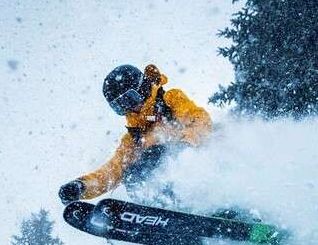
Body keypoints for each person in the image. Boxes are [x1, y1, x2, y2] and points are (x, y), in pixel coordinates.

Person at [59, 63, 212, 203]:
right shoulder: (134, 138)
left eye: (130, 99)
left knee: (155, 154)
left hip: (197, 164)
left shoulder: (170, 100)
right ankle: (158, 208)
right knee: (132, 173)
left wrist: (185, 146)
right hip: (168, 189)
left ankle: (186, 199)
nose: (129, 108)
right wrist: (81, 187)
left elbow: (199, 120)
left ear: (142, 87)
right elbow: (113, 172)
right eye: (120, 106)